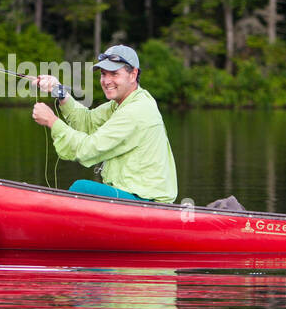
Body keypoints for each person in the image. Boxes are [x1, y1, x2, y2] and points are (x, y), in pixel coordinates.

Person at [30, 45, 178, 203]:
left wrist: (52, 121)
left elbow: (86, 149)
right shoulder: (123, 103)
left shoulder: (136, 110)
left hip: (147, 202)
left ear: (133, 74)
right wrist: (58, 90)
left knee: (82, 189)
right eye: (103, 74)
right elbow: (87, 122)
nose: (106, 81)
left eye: (114, 74)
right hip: (133, 197)